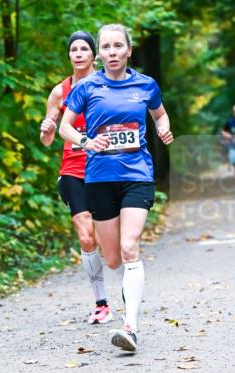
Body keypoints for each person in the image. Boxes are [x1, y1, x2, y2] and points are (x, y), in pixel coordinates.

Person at [59, 23, 173, 354]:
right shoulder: (87, 87)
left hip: (137, 175)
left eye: (117, 46)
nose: (111, 52)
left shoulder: (145, 85)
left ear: (128, 50)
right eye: (106, 47)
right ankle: (120, 307)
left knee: (129, 248)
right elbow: (66, 126)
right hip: (99, 178)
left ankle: (130, 327)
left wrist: (163, 129)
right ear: (101, 52)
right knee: (112, 260)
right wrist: (87, 141)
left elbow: (160, 115)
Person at [39, 31, 112, 324]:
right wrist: (46, 130)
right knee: (85, 235)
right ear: (69, 55)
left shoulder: (108, 84)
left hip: (107, 169)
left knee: (112, 240)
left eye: (84, 49)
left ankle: (126, 280)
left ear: (94, 55)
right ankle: (101, 302)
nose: (79, 53)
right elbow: (47, 139)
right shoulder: (60, 91)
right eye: (74, 49)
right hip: (72, 169)